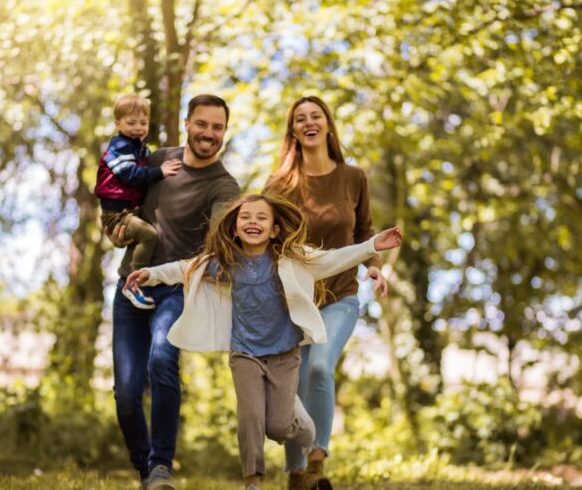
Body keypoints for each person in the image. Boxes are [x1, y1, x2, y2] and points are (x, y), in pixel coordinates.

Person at [124, 194, 403, 490]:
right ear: (234, 228)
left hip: (285, 353)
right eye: (245, 217)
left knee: (279, 427)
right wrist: (150, 274)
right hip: (244, 353)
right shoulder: (224, 262)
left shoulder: (292, 261)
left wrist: (372, 246)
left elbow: (333, 259)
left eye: (261, 218)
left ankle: (302, 423)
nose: (252, 222)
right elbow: (184, 268)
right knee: (251, 417)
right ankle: (252, 482)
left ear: (274, 229)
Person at [109, 94, 240, 490]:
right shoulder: (153, 162)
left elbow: (220, 239)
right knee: (127, 394)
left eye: (217, 127)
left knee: (163, 359)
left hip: (177, 290)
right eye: (202, 124)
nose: (209, 134)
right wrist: (114, 230)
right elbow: (117, 202)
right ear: (187, 123)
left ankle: (162, 466)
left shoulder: (224, 185)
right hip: (131, 287)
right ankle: (145, 470)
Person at [264, 96, 388, 490]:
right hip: (293, 301)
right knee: (292, 384)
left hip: (341, 295)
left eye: (315, 116)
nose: (308, 122)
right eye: (300, 119)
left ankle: (317, 463)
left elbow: (365, 231)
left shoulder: (354, 177)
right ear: (294, 132)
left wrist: (374, 266)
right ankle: (296, 475)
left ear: (328, 125)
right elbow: (262, 236)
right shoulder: (280, 184)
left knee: (318, 368)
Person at [95, 95, 182, 309]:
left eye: (143, 123)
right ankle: (134, 283)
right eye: (131, 123)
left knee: (150, 232)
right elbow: (131, 175)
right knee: (149, 235)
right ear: (117, 124)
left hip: (128, 211)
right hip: (117, 213)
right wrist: (159, 172)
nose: (138, 128)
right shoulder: (120, 147)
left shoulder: (139, 148)